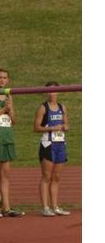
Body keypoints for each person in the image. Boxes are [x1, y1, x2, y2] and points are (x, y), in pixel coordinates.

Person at [0, 68, 24, 219]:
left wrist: (10, 109)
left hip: (7, 137)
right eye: (0, 77)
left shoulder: (8, 96)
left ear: (8, 80)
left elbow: (14, 120)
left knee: (5, 175)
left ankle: (6, 207)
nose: (2, 80)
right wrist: (2, 111)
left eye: (5, 78)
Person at [33, 81, 70, 216]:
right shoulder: (43, 108)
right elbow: (36, 127)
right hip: (48, 144)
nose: (52, 94)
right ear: (45, 92)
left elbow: (66, 124)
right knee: (46, 176)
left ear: (58, 92)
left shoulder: (62, 107)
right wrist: (51, 128)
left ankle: (55, 206)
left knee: (56, 177)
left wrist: (65, 127)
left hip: (60, 144)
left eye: (54, 91)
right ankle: (45, 207)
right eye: (49, 91)